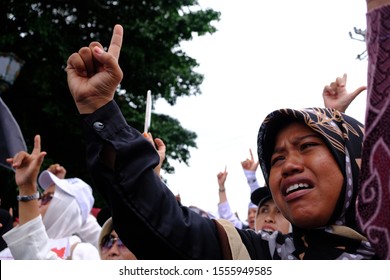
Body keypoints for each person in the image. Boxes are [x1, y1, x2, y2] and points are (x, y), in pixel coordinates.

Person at [65, 6, 385, 258]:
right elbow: (162, 228)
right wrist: (101, 110)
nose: (288, 166)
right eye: (275, 158)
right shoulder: (258, 256)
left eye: (307, 145)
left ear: (357, 168)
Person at [2, 143, 100, 259]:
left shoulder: (82, 251)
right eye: (41, 197)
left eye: (47, 198)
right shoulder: (12, 247)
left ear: (68, 208)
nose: (37, 202)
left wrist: (28, 188)